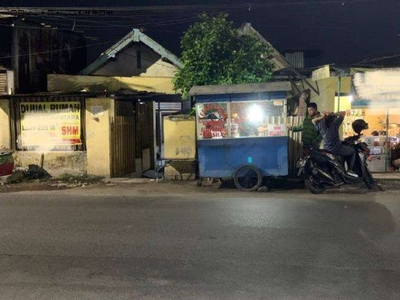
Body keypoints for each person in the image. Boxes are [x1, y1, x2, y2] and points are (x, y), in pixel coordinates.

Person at [312, 111, 358, 177]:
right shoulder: (334, 125)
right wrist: (332, 113)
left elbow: (313, 120)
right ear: (333, 119)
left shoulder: (321, 126)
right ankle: (350, 170)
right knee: (353, 152)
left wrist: (322, 117)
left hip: (326, 149)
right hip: (336, 149)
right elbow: (343, 113)